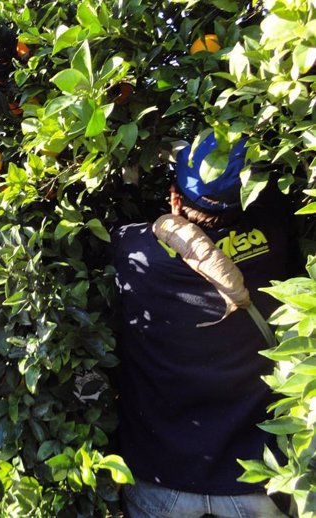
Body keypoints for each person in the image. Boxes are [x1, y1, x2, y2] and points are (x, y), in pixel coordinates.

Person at [112, 133, 296, 518]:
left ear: (174, 196)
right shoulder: (277, 241)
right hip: (256, 481)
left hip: (161, 479)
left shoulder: (132, 251)